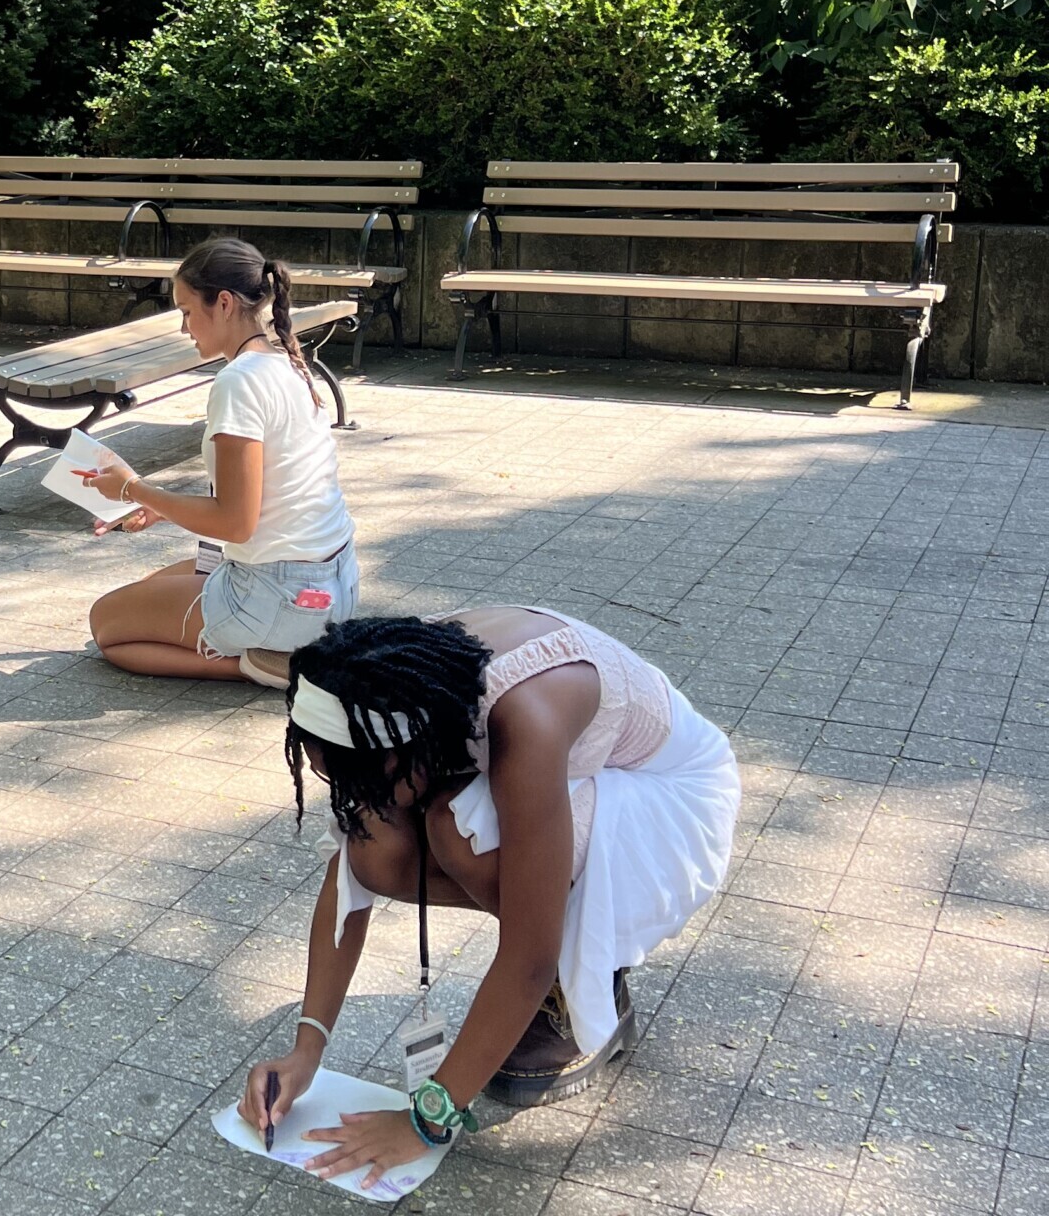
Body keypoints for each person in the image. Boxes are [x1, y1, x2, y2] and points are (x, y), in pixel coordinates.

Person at [236, 610, 740, 1191]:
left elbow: (528, 954)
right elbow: (345, 879)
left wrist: (427, 1120)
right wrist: (306, 1050)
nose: (354, 796)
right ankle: (569, 955)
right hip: (584, 782)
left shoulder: (526, 717)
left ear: (404, 749)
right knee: (375, 849)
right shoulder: (390, 684)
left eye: (367, 781)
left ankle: (586, 984)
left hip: (671, 807)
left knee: (458, 829)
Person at [78, 238, 358, 688]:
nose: (185, 329)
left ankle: (261, 664)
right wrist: (162, 506)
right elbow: (265, 495)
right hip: (333, 587)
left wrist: (132, 489)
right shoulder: (285, 360)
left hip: (282, 600)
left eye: (187, 312)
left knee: (106, 624)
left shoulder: (238, 381)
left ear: (223, 303)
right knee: (149, 588)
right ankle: (271, 647)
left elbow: (235, 522)